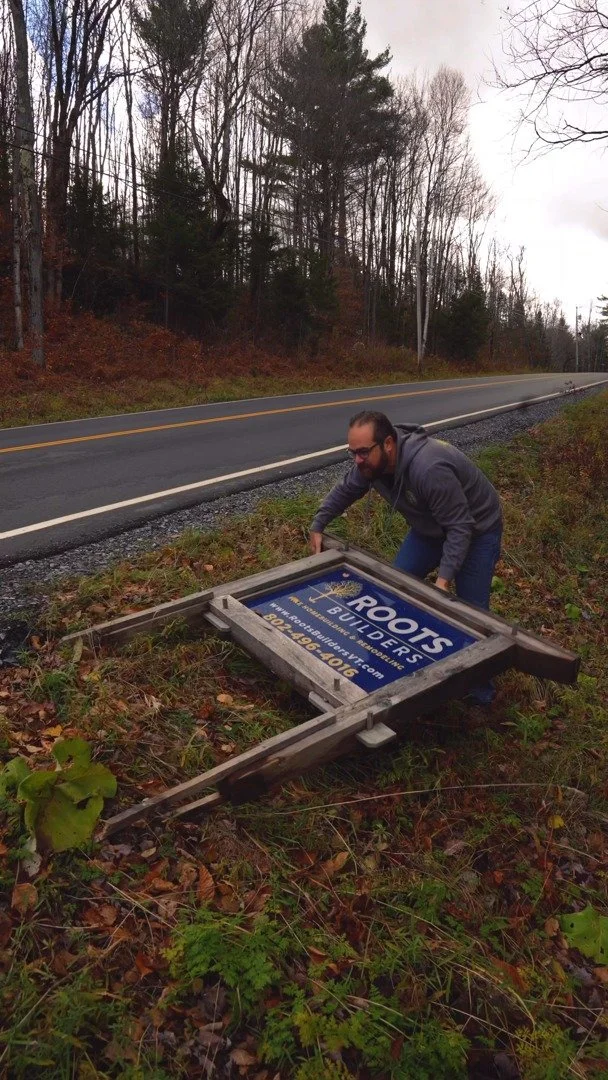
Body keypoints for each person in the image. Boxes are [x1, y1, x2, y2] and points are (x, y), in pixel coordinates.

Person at [309, 410, 503, 705]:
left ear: (388, 444)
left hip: (476, 530)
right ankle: (397, 667)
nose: (357, 460)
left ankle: (480, 694)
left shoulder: (429, 467)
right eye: (352, 453)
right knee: (393, 591)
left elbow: (460, 527)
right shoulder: (370, 466)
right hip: (429, 529)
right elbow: (347, 489)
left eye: (363, 452)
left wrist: (442, 582)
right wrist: (318, 523)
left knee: (471, 613)